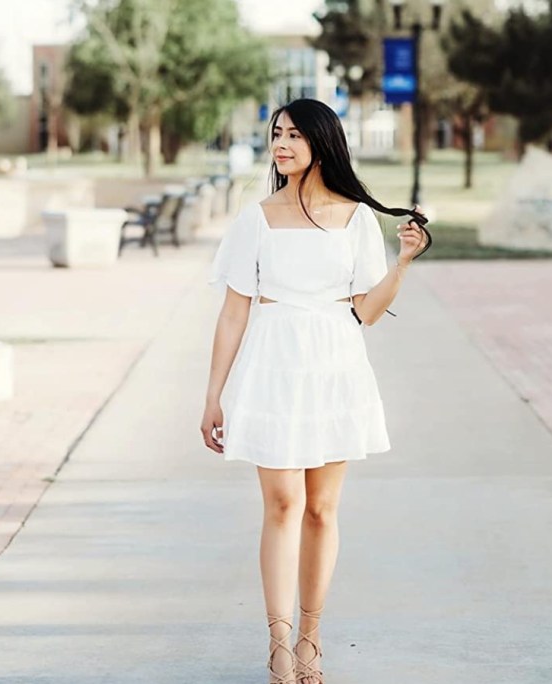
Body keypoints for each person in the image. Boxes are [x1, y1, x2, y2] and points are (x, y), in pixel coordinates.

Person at [200, 98, 430, 684]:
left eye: (295, 135)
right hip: (272, 366)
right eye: (276, 134)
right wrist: (213, 397)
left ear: (322, 141)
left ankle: (311, 640)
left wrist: (402, 262)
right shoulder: (255, 218)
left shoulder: (355, 219)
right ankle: (278, 647)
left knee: (323, 511)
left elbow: (367, 312)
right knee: (282, 506)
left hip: (334, 366)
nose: (281, 144)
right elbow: (232, 315)